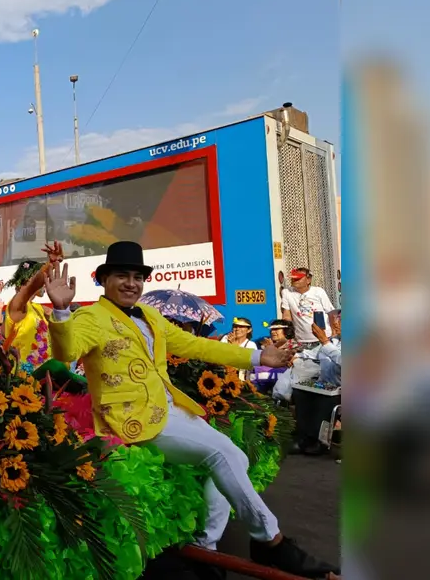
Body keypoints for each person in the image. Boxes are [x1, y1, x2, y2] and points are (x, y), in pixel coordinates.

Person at [43, 241, 339, 579]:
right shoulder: (90, 317)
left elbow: (196, 345)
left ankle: (205, 547)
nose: (130, 283)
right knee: (222, 453)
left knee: (236, 456)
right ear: (104, 280)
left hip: (170, 409)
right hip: (130, 419)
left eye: (137, 277)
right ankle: (271, 541)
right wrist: (62, 312)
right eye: (121, 276)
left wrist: (259, 357)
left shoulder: (150, 315)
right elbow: (67, 351)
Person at [3, 242, 64, 369]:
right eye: (43, 277)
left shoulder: (39, 308)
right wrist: (51, 264)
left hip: (45, 376)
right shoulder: (16, 306)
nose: (46, 281)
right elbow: (33, 286)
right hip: (24, 379)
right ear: (28, 280)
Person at [281, 268, 336, 348]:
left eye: (298, 278)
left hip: (323, 338)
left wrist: (334, 332)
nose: (294, 280)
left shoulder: (318, 292)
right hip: (301, 341)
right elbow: (286, 316)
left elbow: (331, 313)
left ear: (308, 280)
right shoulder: (286, 292)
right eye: (293, 278)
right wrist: (287, 335)